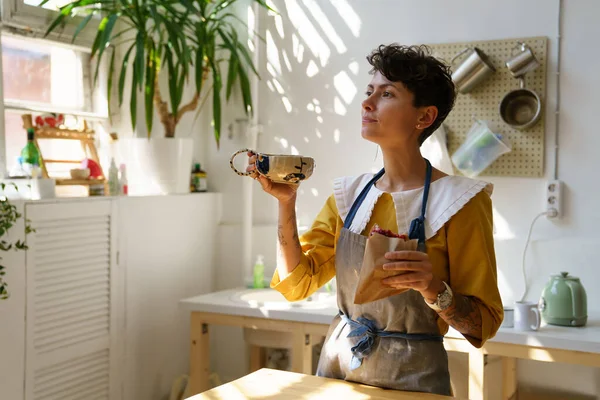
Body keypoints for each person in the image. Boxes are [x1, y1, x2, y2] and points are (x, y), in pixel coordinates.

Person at [247, 43, 503, 396]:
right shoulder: (348, 196)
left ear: (424, 117)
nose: (367, 103)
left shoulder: (461, 202)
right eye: (369, 92)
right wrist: (286, 203)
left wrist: (432, 288)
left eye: (387, 94)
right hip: (337, 374)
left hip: (414, 380)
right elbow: (297, 283)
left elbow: (483, 324)